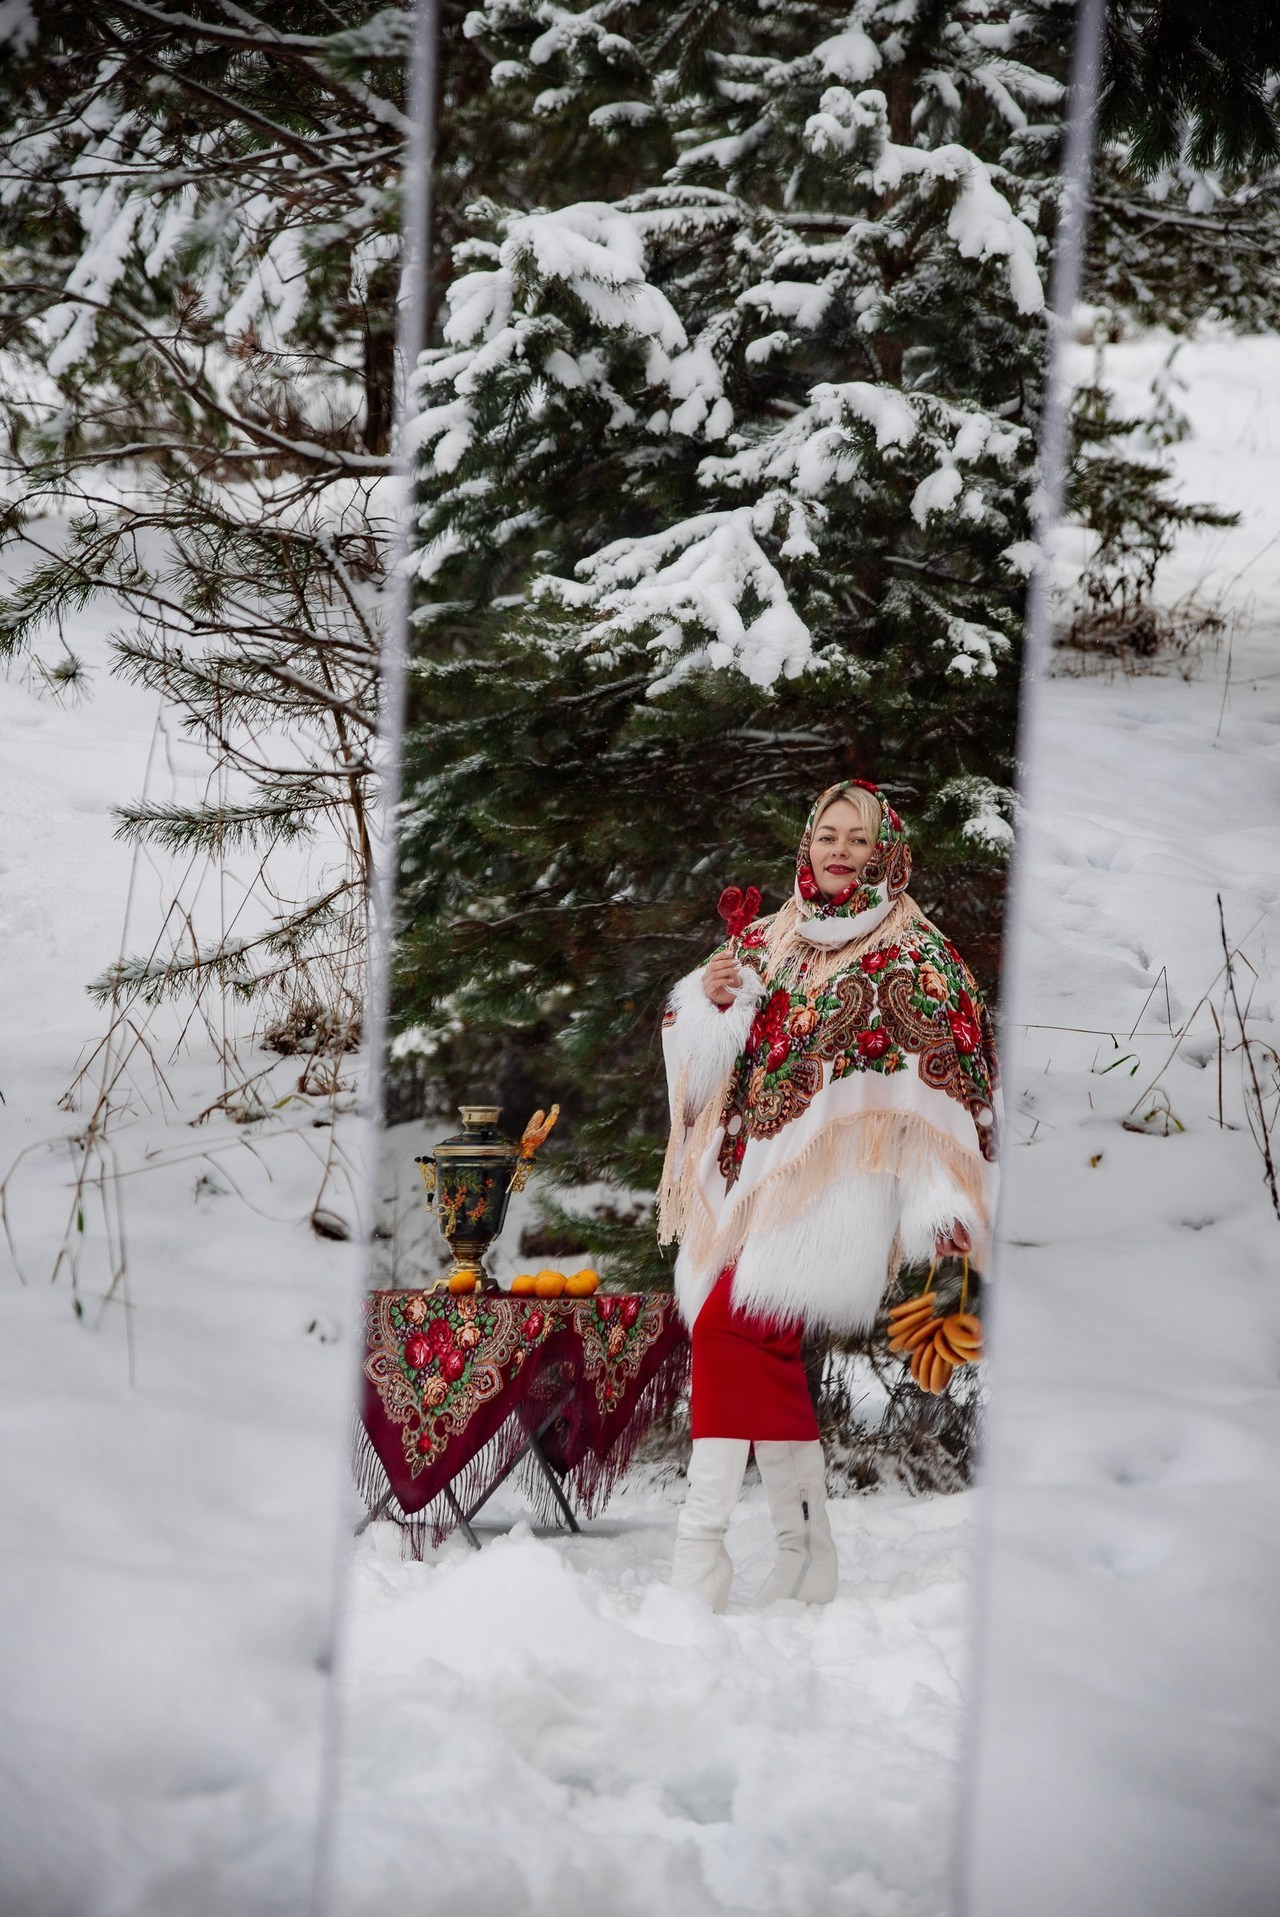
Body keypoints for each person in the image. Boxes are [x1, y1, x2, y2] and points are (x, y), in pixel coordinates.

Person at [658, 778, 999, 1610]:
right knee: (763, 1350)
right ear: (806, 843)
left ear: (887, 851)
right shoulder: (769, 938)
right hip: (748, 1179)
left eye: (858, 838)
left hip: (838, 1193)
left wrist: (941, 1201)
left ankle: (698, 1553)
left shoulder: (917, 955)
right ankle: (807, 1555)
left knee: (727, 1324)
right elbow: (702, 1065)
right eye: (827, 835)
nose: (840, 851)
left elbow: (949, 1083)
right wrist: (711, 1005)